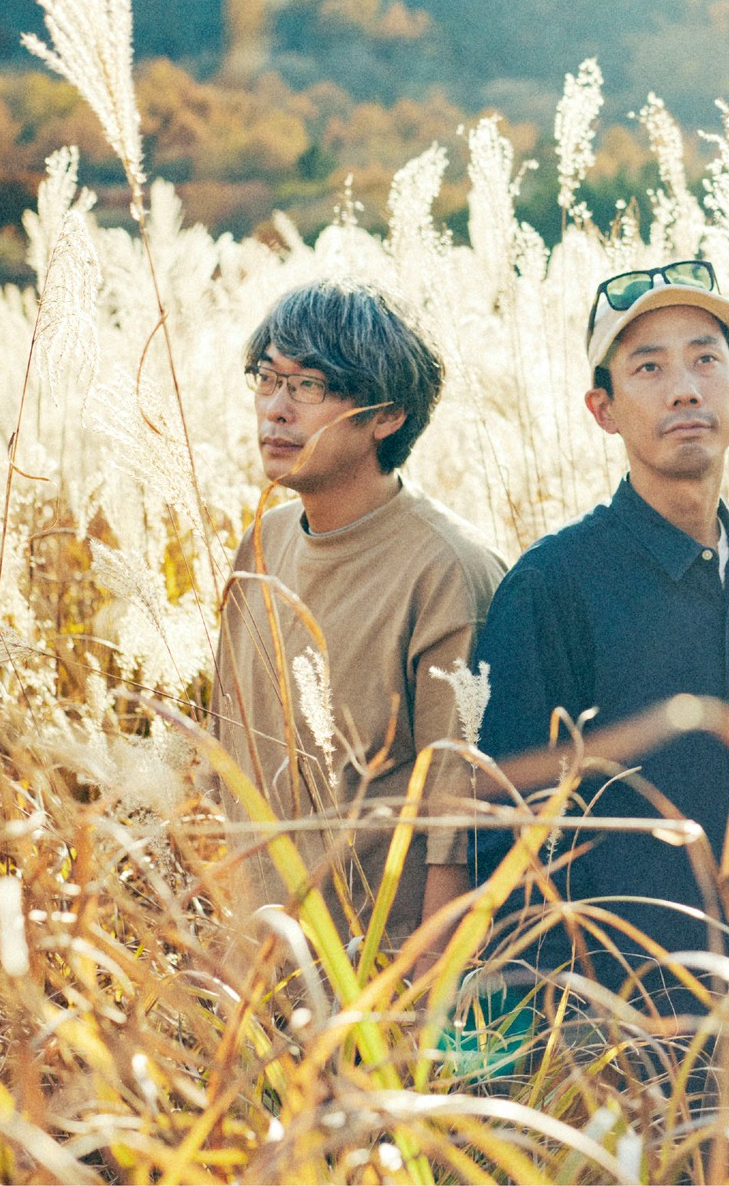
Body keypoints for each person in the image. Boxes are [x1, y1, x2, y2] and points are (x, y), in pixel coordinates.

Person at [453, 260, 729, 1011]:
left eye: (705, 360)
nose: (684, 389)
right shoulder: (553, 587)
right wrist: (564, 1035)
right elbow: (507, 838)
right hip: (618, 1028)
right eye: (648, 368)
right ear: (602, 409)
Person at [211, 279, 507, 951]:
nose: (276, 409)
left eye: (308, 386)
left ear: (387, 415)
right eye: (267, 379)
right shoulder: (260, 547)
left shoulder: (447, 573)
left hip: (372, 982)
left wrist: (422, 993)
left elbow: (456, 825)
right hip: (254, 980)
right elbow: (227, 765)